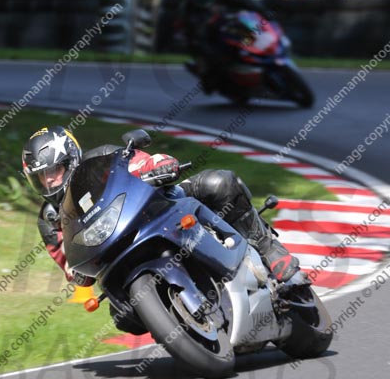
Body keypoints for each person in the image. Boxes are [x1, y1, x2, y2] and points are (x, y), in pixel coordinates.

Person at [22, 125, 300, 333]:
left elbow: (139, 160)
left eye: (54, 171)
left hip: (158, 209)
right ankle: (186, 327)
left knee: (219, 184)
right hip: (117, 250)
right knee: (123, 317)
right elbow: (74, 269)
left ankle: (271, 252)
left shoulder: (102, 158)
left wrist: (158, 164)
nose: (49, 182)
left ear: (71, 160)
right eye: (41, 178)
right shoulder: (49, 219)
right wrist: (76, 271)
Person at [181, 0, 274, 92]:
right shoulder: (189, 10)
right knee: (209, 61)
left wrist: (261, 10)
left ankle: (253, 57)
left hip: (225, 22)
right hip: (202, 36)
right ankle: (210, 79)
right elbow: (198, 38)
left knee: (244, 33)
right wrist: (215, 56)